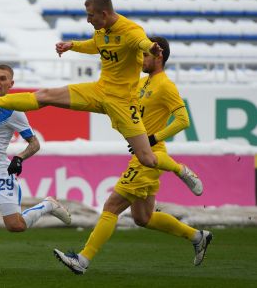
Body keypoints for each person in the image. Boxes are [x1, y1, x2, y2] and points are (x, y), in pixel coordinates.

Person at [0, 0, 202, 194]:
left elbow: (141, 43)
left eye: (90, 16)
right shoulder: (102, 30)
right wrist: (72, 45)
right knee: (46, 95)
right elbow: (96, 45)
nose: (88, 20)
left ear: (104, 14)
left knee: (147, 158)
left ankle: (181, 170)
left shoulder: (131, 31)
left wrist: (151, 47)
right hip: (98, 91)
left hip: (124, 103)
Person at [53, 37, 213, 275]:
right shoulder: (142, 83)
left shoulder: (166, 86)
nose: (141, 60)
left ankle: (82, 260)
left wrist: (153, 138)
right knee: (143, 217)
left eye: (145, 56)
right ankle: (197, 235)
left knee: (111, 206)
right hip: (143, 153)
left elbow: (183, 120)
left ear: (159, 56)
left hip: (151, 154)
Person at [0, 54, 71, 276]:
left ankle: (48, 204)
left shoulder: (15, 109)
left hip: (1, 175)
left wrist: (19, 157)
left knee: (15, 226)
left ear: (11, 84)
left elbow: (34, 143)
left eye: (3, 79)